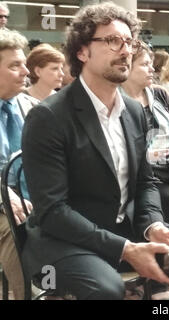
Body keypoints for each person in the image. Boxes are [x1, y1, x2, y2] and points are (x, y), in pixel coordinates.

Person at [21, 2, 169, 300]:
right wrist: (125, 249)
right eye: (112, 41)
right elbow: (53, 212)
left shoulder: (132, 110)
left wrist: (153, 225)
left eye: (129, 41)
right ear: (82, 52)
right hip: (62, 241)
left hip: (122, 228)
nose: (126, 50)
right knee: (107, 289)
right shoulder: (49, 116)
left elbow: (146, 182)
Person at [121, 42, 169, 225]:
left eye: (151, 64)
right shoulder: (117, 104)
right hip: (145, 178)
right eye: (145, 64)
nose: (152, 69)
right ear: (127, 67)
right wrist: (148, 155)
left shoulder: (159, 95)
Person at [0, 29, 32, 300]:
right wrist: (3, 196)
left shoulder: (32, 108)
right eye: (14, 66)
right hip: (5, 207)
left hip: (35, 198)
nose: (26, 72)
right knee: (14, 226)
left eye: (24, 63)